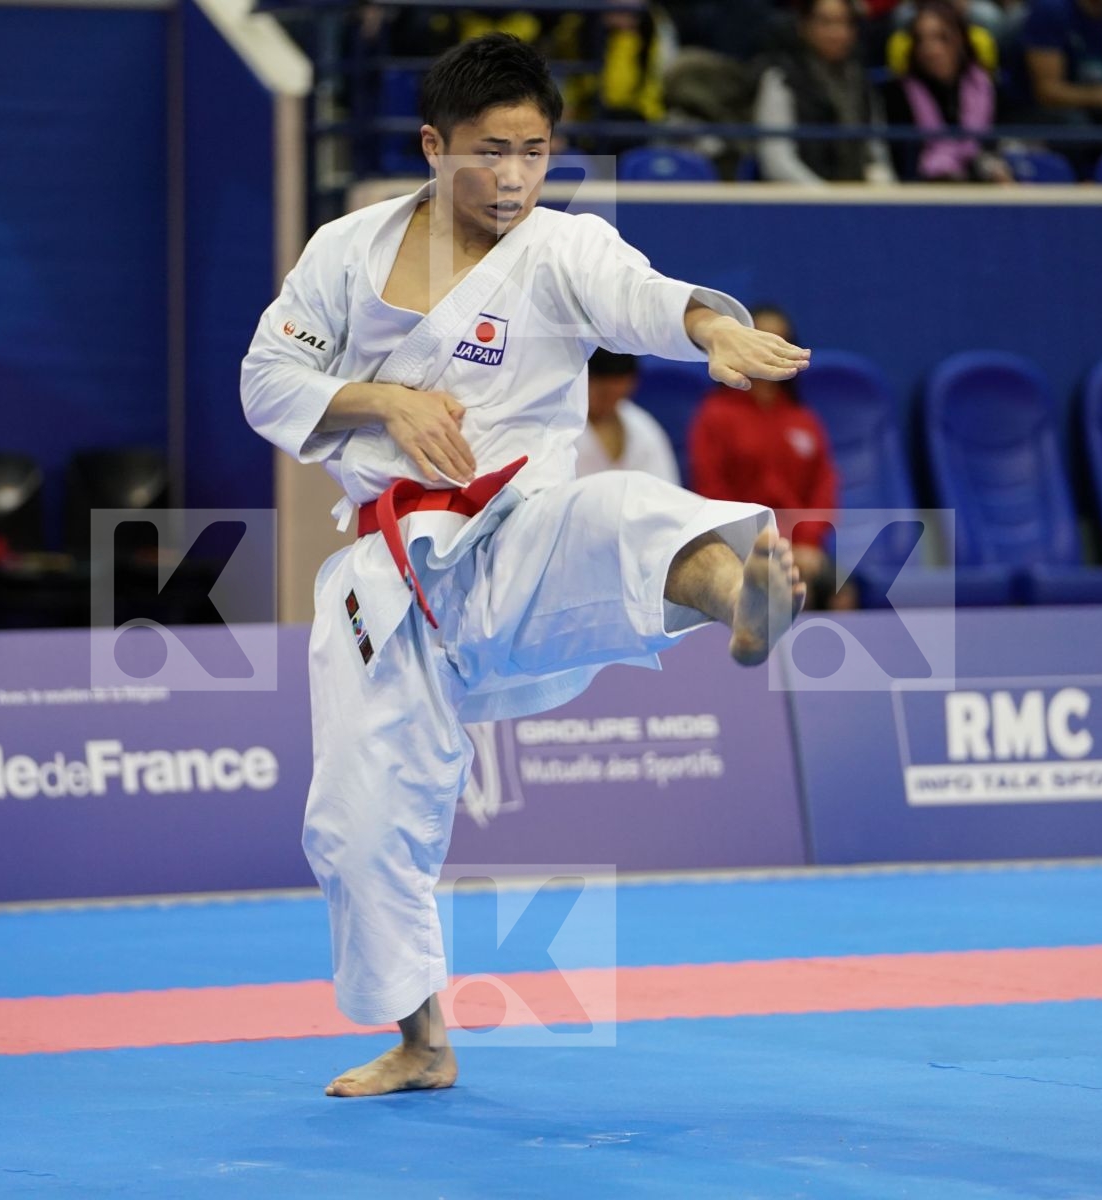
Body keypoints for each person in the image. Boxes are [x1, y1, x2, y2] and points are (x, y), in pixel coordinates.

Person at [240, 33, 809, 1098]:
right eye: (488, 152)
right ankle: (423, 1043)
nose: (511, 177)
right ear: (432, 145)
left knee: (624, 513)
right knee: (358, 823)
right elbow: (267, 383)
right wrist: (388, 401)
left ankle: (744, 601)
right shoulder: (346, 251)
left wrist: (708, 329)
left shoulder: (561, 249)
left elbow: (644, 296)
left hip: (519, 538)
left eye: (535, 152)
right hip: (386, 574)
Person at [688, 306, 853, 611]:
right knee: (785, 589)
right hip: (739, 547)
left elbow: (823, 486)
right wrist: (763, 547)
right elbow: (712, 491)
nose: (769, 347)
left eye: (779, 340)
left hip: (802, 549)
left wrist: (806, 542)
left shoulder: (803, 419)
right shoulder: (715, 415)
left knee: (841, 592)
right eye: (760, 338)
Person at [753, 0, 896, 184]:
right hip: (803, 201)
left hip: (855, 196)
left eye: (845, 23)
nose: (837, 33)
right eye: (826, 23)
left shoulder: (860, 80)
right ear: (804, 26)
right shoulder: (781, 78)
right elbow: (777, 160)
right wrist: (825, 197)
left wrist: (884, 187)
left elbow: (876, 150)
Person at [883, 0, 1015, 181]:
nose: (931, 50)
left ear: (960, 38)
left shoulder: (985, 86)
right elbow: (903, 163)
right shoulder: (898, 93)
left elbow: (999, 146)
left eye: (942, 38)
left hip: (984, 184)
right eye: (921, 40)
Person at [574, 349, 681, 484]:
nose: (608, 404)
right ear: (582, 380)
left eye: (617, 397)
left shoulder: (643, 428)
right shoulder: (559, 427)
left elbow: (665, 489)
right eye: (603, 395)